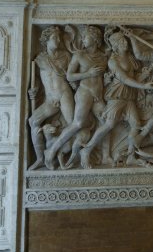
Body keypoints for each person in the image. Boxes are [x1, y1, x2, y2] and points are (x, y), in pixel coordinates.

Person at [79, 30, 153, 169]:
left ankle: (131, 157)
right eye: (121, 41)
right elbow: (124, 79)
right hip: (117, 96)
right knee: (109, 124)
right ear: (115, 46)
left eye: (124, 40)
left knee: (136, 124)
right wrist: (143, 86)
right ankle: (86, 150)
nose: (124, 43)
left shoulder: (131, 57)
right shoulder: (113, 61)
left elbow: (133, 78)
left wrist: (144, 76)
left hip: (129, 96)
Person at [44, 25, 108, 169]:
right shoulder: (79, 55)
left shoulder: (103, 57)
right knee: (78, 123)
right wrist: (88, 74)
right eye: (82, 36)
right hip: (84, 92)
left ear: (95, 39)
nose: (83, 39)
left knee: (107, 123)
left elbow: (102, 78)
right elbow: (70, 76)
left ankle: (98, 154)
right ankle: (52, 151)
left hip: (97, 96)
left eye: (85, 37)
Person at [28, 26, 74, 170]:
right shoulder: (40, 59)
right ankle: (40, 158)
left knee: (73, 125)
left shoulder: (65, 56)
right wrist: (33, 90)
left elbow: (72, 76)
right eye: (55, 37)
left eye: (59, 37)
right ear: (46, 40)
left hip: (64, 94)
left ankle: (58, 151)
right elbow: (35, 79)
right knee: (33, 121)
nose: (58, 40)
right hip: (50, 99)